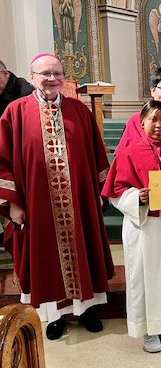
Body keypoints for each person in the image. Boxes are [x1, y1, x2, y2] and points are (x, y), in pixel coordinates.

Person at [0, 54, 113, 340]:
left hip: (80, 200)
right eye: (44, 74)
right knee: (45, 258)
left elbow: (97, 153)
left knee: (84, 248)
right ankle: (55, 316)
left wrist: (99, 192)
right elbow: (2, 160)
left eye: (57, 73)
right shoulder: (14, 112)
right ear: (32, 76)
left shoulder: (79, 110)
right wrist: (13, 203)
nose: (51, 79)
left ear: (64, 77)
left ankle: (87, 310)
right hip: (37, 203)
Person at [102, 101, 161, 352]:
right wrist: (137, 197)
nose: (158, 125)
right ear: (141, 122)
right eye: (153, 119)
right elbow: (116, 193)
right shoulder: (129, 152)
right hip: (145, 226)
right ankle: (148, 329)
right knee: (147, 276)